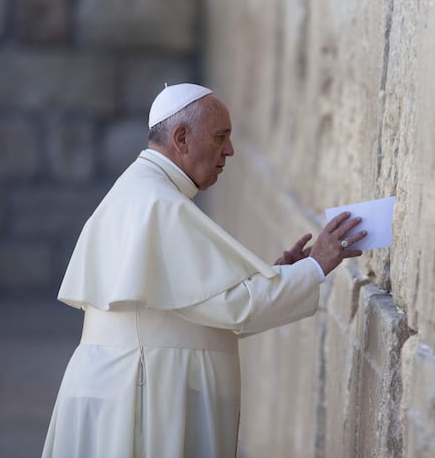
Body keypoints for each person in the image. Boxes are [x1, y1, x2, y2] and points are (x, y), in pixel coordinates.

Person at [42, 83, 366, 457]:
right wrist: (316, 265)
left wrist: (281, 274)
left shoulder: (144, 191)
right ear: (181, 138)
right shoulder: (159, 204)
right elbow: (233, 306)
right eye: (220, 137)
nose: (229, 150)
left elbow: (202, 306)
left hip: (124, 386)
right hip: (142, 396)